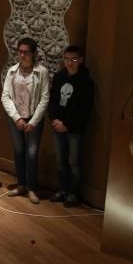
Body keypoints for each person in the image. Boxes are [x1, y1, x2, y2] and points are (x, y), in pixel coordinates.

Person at [1, 37, 50, 204]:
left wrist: (34, 121)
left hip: (33, 118)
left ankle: (32, 188)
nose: (22, 55)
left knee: (31, 153)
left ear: (33, 53)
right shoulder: (12, 71)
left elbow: (44, 98)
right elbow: (5, 96)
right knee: (19, 151)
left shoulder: (41, 72)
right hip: (16, 117)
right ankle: (21, 184)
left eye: (26, 52)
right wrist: (16, 118)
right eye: (20, 51)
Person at [48, 45, 94, 207]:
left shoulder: (86, 81)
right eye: (67, 59)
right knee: (60, 160)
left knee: (74, 161)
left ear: (80, 60)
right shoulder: (59, 77)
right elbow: (52, 101)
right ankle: (63, 189)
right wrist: (54, 120)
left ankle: (73, 193)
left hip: (74, 129)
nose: (70, 62)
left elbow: (85, 109)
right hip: (57, 126)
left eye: (74, 59)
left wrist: (66, 124)